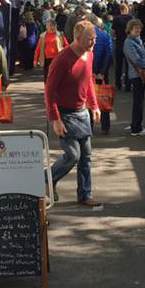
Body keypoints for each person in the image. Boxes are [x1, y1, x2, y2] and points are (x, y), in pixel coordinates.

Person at [44, 20, 102, 207]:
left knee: (86, 156)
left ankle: (85, 194)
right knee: (73, 156)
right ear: (77, 38)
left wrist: (94, 106)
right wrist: (55, 119)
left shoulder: (89, 55)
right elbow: (49, 91)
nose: (93, 42)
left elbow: (88, 82)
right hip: (64, 114)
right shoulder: (62, 59)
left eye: (95, 38)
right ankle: (47, 178)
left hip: (81, 112)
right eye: (90, 39)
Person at [123, 18, 145, 137]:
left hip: (137, 74)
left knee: (138, 101)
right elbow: (136, 59)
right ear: (130, 29)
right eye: (135, 28)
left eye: (139, 28)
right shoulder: (129, 42)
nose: (138, 30)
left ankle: (135, 125)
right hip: (137, 75)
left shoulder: (136, 40)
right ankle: (136, 128)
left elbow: (141, 57)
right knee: (138, 102)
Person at [86, 13, 114, 134]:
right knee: (103, 97)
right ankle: (105, 126)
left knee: (87, 100)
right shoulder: (105, 35)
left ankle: (89, 127)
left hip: (88, 72)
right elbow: (109, 54)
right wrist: (102, 72)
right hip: (102, 73)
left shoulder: (84, 36)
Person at [113, 2, 132, 91]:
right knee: (128, 65)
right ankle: (128, 85)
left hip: (119, 43)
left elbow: (113, 32)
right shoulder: (130, 18)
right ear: (127, 9)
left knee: (119, 66)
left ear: (120, 10)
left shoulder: (116, 19)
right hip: (128, 44)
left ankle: (118, 84)